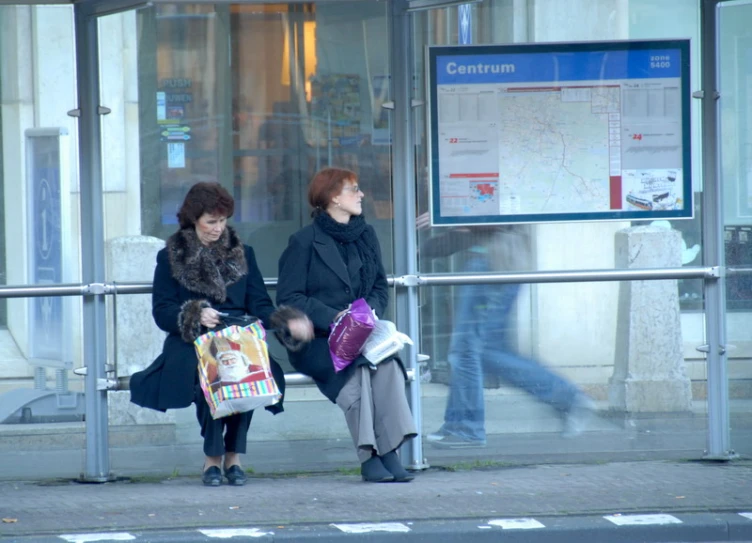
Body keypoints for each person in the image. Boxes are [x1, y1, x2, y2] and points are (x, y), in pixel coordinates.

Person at [130, 182, 313, 486]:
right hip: (192, 340)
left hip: (238, 335)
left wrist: (285, 321)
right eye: (210, 222)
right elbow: (162, 310)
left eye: (223, 220)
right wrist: (195, 313)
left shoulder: (243, 253)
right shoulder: (171, 256)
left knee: (247, 369)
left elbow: (259, 303)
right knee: (210, 371)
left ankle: (233, 455)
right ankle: (213, 457)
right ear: (193, 220)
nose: (218, 228)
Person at [276, 167, 417, 483]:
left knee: (389, 367)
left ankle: (390, 450)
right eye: (353, 189)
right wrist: (335, 316)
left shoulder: (365, 236)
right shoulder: (303, 242)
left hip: (362, 334)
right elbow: (289, 297)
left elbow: (380, 286)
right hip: (318, 339)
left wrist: (366, 313)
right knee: (357, 372)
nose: (361, 194)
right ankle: (370, 456)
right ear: (332, 198)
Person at [419, 219, 596, 448]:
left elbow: (485, 218)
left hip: (493, 261)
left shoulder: (486, 195)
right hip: (501, 259)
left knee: (469, 349)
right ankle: (565, 398)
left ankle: (465, 427)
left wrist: (443, 215)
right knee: (488, 350)